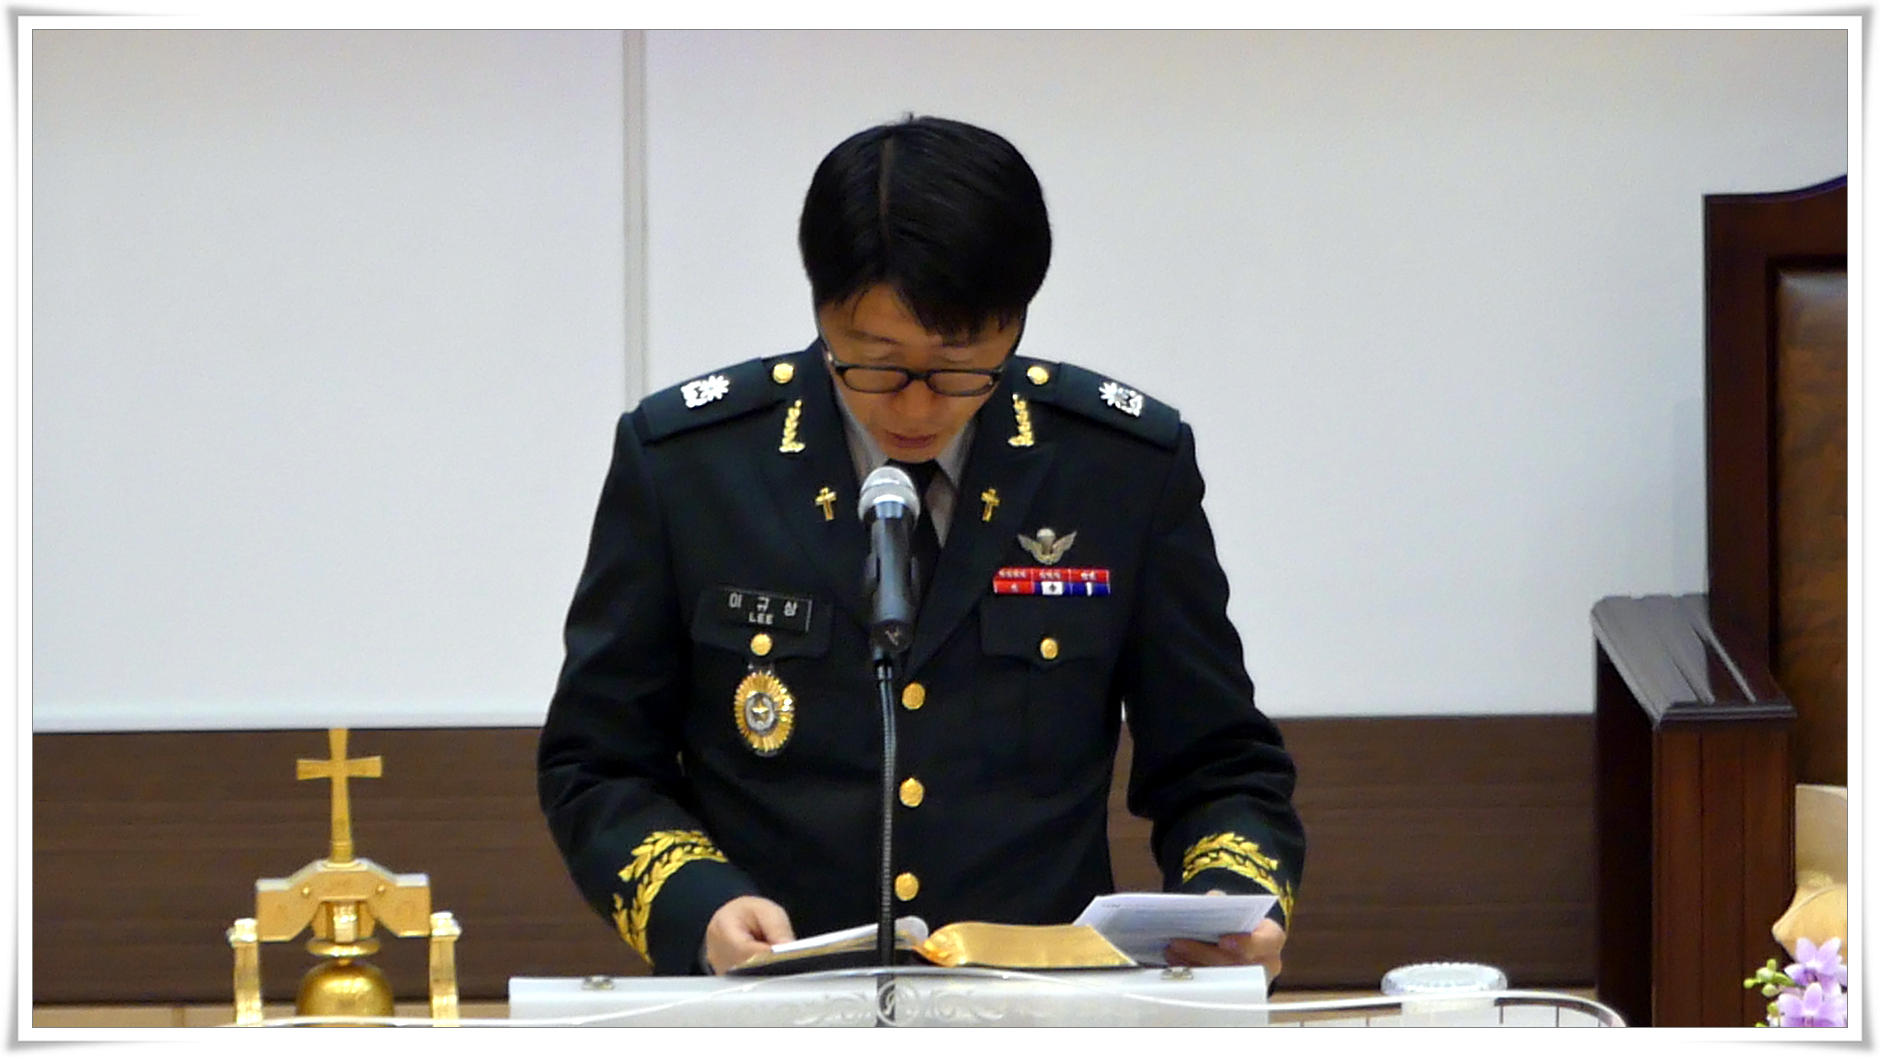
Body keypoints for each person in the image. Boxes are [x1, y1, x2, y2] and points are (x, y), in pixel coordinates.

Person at [538, 115, 1305, 979]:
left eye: (957, 367)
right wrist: (697, 903)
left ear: (1015, 324)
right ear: (823, 312)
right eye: (876, 363)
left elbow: (1218, 765)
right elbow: (599, 762)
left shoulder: (1118, 469)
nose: (914, 406)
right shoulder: (691, 466)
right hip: (765, 1007)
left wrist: (1230, 900)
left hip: (1040, 1009)